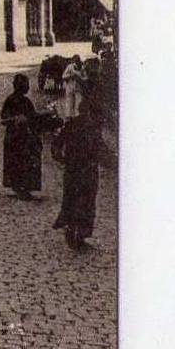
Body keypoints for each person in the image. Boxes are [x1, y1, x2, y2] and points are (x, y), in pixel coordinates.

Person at [51, 96, 103, 248]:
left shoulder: (71, 124)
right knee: (86, 201)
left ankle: (72, 227)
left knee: (72, 198)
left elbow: (57, 144)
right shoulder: (93, 128)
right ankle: (79, 232)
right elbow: (101, 150)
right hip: (87, 171)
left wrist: (60, 157)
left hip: (73, 168)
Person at [0, 71, 48, 199]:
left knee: (23, 161)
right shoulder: (11, 100)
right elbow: (3, 118)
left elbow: (32, 116)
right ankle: (19, 187)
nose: (27, 87)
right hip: (15, 136)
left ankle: (23, 186)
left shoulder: (26, 101)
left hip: (24, 136)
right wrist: (15, 119)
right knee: (18, 161)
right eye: (26, 85)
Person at [60, 53, 84, 120]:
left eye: (78, 60)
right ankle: (69, 117)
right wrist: (70, 76)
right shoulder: (70, 67)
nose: (77, 62)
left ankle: (77, 117)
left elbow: (85, 77)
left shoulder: (82, 67)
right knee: (69, 103)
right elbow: (63, 76)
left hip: (78, 88)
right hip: (70, 88)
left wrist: (80, 78)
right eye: (75, 60)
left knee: (78, 104)